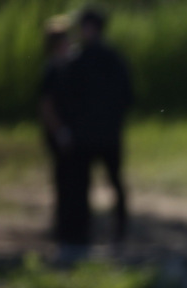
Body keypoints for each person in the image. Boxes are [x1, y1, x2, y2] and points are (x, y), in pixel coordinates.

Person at [57, 6, 133, 245]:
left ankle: (88, 233)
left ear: (91, 28)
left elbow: (66, 99)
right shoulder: (113, 58)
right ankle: (113, 231)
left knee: (89, 184)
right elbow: (129, 96)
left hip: (90, 136)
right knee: (108, 182)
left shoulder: (80, 60)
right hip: (105, 134)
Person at [39, 15, 73, 242]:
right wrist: (59, 131)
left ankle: (68, 225)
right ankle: (62, 228)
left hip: (65, 131)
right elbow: (46, 106)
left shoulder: (66, 66)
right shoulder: (52, 69)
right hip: (58, 134)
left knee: (69, 180)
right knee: (63, 180)